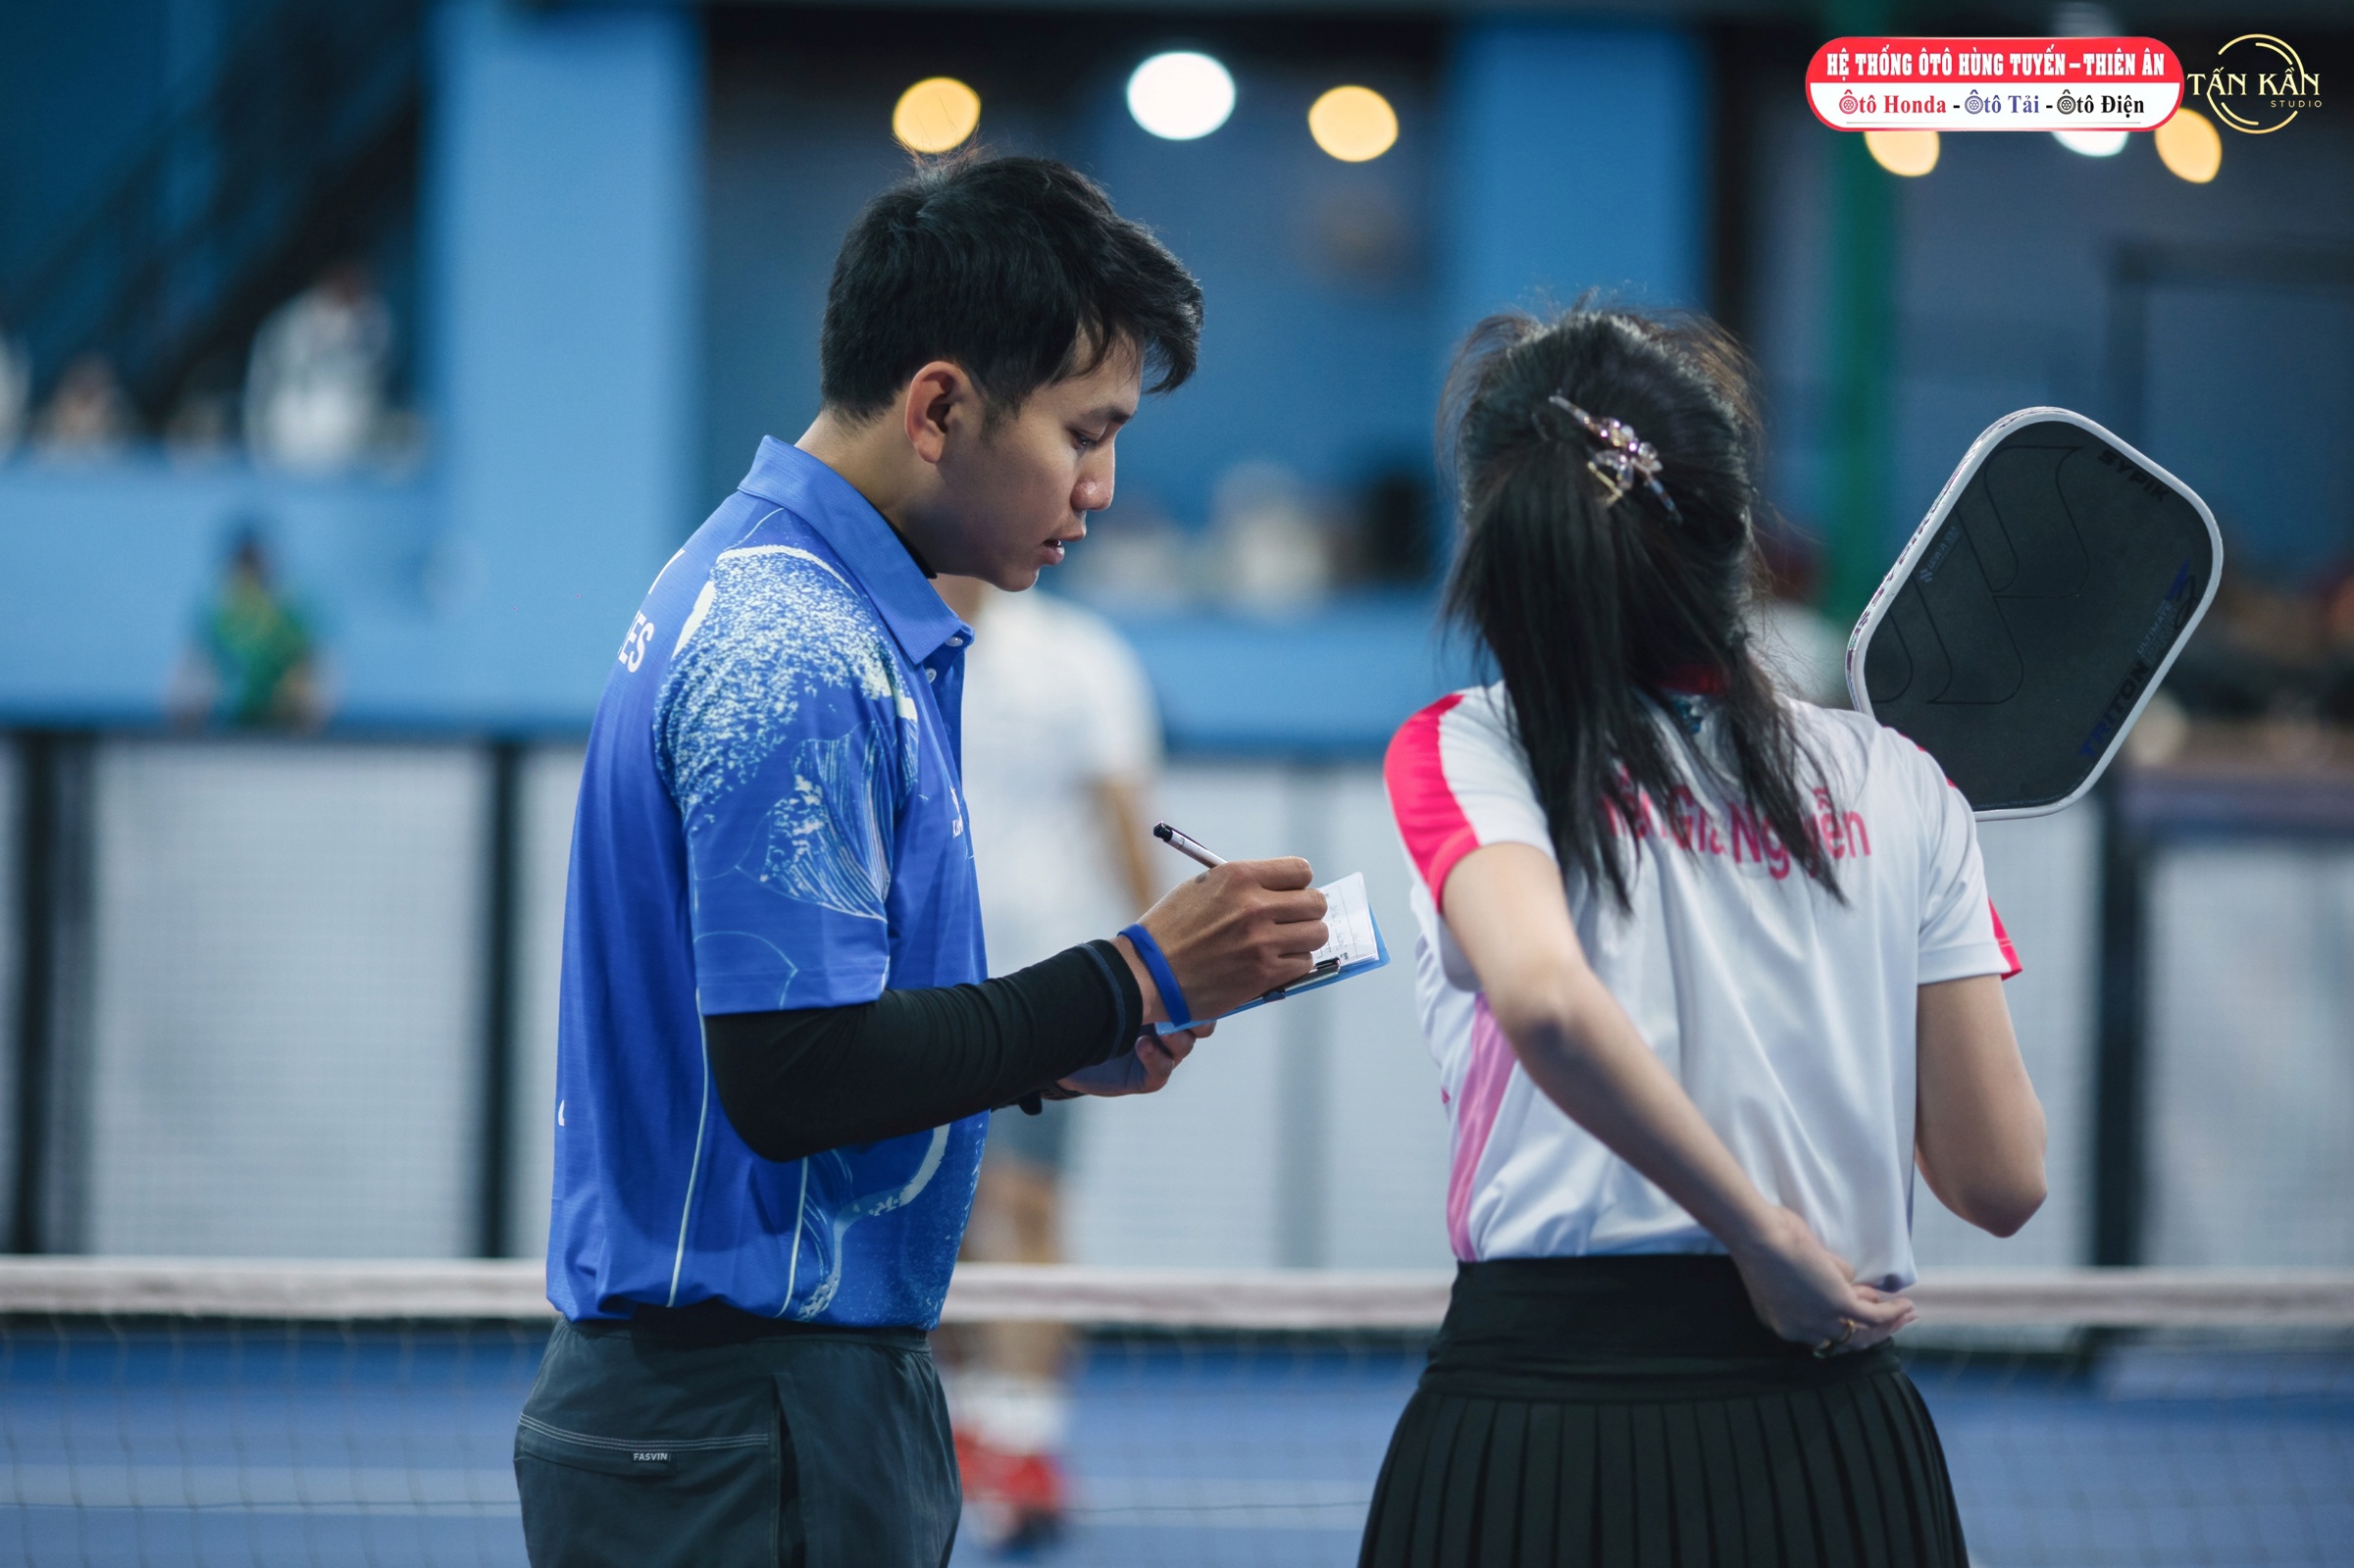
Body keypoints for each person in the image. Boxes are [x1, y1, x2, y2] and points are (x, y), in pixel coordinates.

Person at [519, 153, 1330, 1568]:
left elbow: (820, 1044)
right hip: (742, 1416)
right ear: (940, 407)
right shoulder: (792, 646)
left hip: (767, 1405)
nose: (1104, 486)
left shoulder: (808, 606)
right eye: (1084, 432)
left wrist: (1056, 1049)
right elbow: (794, 1075)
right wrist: (1132, 978)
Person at [1362, 308, 2046, 1566]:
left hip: (1542, 1443)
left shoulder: (1469, 746)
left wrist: (1762, 1239)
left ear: (1499, 544)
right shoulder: (1901, 782)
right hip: (1834, 1450)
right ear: (1740, 534)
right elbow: (2002, 1181)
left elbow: (1547, 1002)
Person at [932, 575, 1163, 1551]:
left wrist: (1161, 982)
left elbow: (1125, 820)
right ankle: (962, 1423)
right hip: (916, 993)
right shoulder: (883, 646)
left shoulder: (1083, 659)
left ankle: (1026, 1440)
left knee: (1025, 1207)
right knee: (927, 1218)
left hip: (1049, 990)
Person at [167, 526, 328, 731]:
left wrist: (303, 710)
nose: (248, 578)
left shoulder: (288, 617)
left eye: (254, 568)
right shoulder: (218, 618)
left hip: (283, 727)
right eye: (243, 567)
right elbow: (190, 673)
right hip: (225, 726)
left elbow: (312, 666)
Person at [244, 260, 391, 471]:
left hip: (349, 447)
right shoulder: (294, 318)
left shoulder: (373, 318)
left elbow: (373, 372)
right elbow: (264, 383)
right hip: (292, 439)